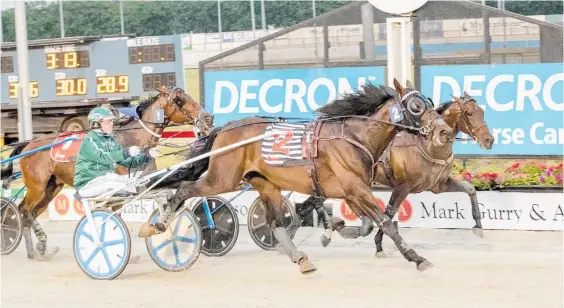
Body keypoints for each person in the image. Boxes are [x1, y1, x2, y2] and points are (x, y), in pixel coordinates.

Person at [74, 106, 154, 198]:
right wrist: (126, 152)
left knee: (141, 176)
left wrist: (147, 156)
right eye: (108, 121)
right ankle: (134, 195)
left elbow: (127, 162)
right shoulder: (89, 140)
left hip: (106, 179)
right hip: (88, 185)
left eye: (112, 121)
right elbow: (104, 158)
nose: (111, 124)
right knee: (116, 183)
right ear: (96, 124)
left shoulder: (110, 140)